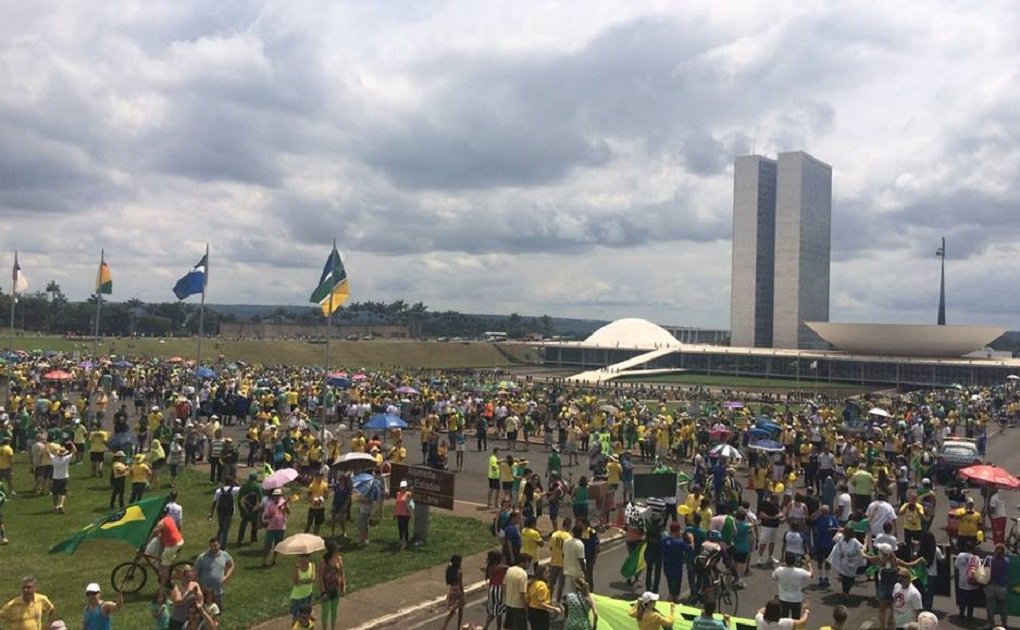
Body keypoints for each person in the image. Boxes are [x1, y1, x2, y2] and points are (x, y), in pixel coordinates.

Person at [146, 510, 185, 588]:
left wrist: (146, 543)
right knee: (165, 560)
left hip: (172, 545)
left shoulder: (161, 523)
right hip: (178, 541)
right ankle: (174, 572)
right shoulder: (169, 518)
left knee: (164, 566)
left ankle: (162, 587)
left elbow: (155, 532)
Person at [193, 538, 234, 612]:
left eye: (215, 545)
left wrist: (226, 576)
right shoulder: (202, 557)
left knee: (218, 611)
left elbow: (231, 565)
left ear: (219, 545)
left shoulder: (224, 555)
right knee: (203, 611)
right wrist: (199, 586)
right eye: (211, 546)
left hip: (217, 590)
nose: (213, 548)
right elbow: (194, 573)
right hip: (204, 591)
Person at [772, 553, 813, 619]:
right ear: (794, 561)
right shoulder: (800, 571)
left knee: (783, 620)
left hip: (783, 598)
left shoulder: (779, 570)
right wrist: (809, 565)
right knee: (796, 620)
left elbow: (773, 577)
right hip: (796, 599)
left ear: (785, 560)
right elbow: (811, 575)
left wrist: (782, 565)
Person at [318, 541, 345, 630]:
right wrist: (323, 591)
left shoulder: (339, 559)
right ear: (332, 550)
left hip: (336, 588)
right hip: (326, 589)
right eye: (336, 549)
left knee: (334, 611)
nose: (338, 550)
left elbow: (341, 574)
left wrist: (343, 587)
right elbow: (320, 577)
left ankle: (333, 628)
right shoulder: (324, 561)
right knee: (325, 611)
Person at [663, 522, 692, 602]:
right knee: (673, 592)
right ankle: (669, 607)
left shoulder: (664, 540)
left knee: (671, 589)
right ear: (678, 530)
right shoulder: (680, 543)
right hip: (676, 570)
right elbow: (689, 548)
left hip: (667, 567)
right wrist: (688, 538)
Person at [262, 488, 290, 567]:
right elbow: (266, 516)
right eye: (275, 496)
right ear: (273, 496)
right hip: (271, 527)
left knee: (278, 545)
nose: (277, 497)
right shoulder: (269, 504)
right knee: (267, 544)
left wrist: (285, 508)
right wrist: (270, 515)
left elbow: (288, 512)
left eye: (278, 495)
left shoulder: (284, 502)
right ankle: (264, 560)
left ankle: (274, 559)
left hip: (281, 527)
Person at [985, 543, 1009, 629]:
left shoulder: (991, 560)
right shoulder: (1007, 561)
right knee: (1003, 607)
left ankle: (990, 623)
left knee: (990, 606)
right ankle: (1004, 623)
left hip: (992, 586)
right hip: (1002, 587)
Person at [208, 480, 238, 550]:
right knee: (226, 531)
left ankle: (217, 542)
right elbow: (242, 488)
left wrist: (211, 514)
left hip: (220, 512)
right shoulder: (233, 490)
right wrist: (236, 482)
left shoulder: (218, 491)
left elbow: (214, 502)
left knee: (221, 528)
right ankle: (222, 548)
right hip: (229, 513)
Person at [502, 554, 530, 630]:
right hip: (519, 606)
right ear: (522, 563)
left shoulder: (510, 570)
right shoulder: (523, 574)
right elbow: (522, 593)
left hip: (509, 603)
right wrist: (526, 607)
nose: (529, 565)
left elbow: (504, 585)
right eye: (528, 563)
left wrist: (506, 598)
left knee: (508, 626)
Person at [236, 472, 263, 546]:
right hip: (254, 508)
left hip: (244, 508)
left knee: (243, 524)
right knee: (254, 523)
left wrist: (241, 508)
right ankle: (253, 538)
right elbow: (260, 498)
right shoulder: (257, 487)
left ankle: (240, 539)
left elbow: (239, 498)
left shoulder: (244, 486)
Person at [290, 554, 317, 621]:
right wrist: (307, 581)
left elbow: (313, 579)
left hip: (308, 594)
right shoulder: (296, 568)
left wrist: (302, 582)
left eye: (306, 556)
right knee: (296, 616)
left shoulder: (312, 566)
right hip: (297, 597)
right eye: (302, 556)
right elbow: (296, 582)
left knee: (307, 616)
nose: (304, 558)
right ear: (298, 557)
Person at [50, 444, 74, 514]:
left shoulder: (54, 459)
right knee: (63, 493)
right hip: (64, 477)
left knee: (55, 493)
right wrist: (71, 443)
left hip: (55, 477)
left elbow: (48, 452)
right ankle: (61, 505)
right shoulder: (66, 459)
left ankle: (55, 506)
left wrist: (46, 444)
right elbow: (74, 451)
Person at [394, 479, 413, 550]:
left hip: (406, 514)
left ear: (406, 487)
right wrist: (395, 513)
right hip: (399, 513)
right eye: (401, 487)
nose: (403, 489)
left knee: (404, 528)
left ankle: (405, 542)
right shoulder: (398, 494)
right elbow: (396, 504)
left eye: (404, 487)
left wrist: (411, 491)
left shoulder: (408, 494)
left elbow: (411, 501)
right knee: (400, 528)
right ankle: (401, 540)